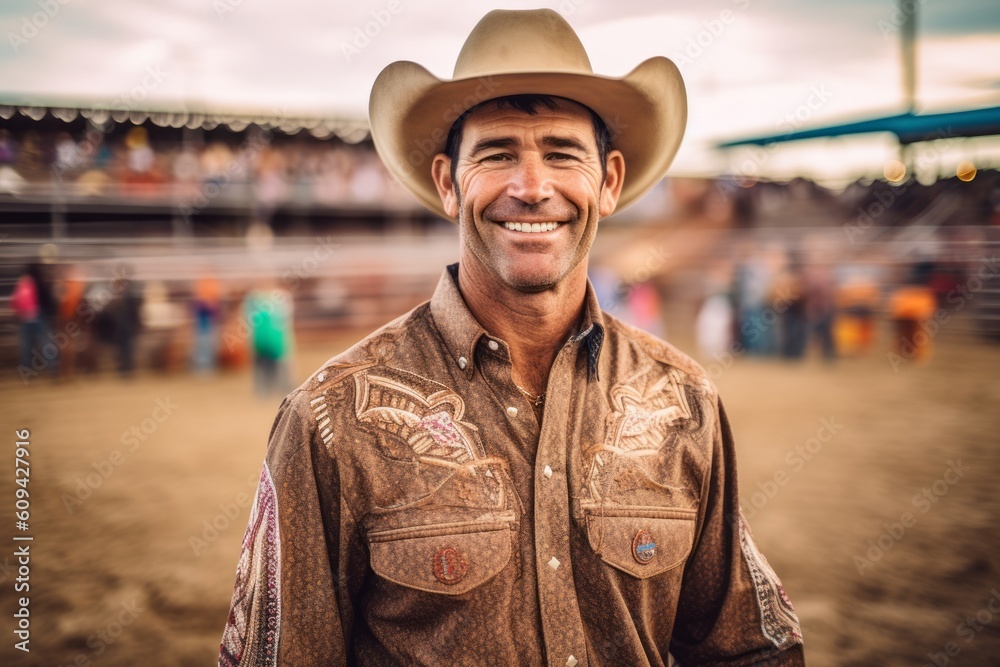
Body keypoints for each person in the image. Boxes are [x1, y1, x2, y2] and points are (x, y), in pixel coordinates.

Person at [220, 10, 804, 666]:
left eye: (561, 153)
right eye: (498, 153)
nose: (531, 188)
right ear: (448, 182)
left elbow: (749, 649)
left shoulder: (685, 403)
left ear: (608, 182)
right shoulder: (328, 422)